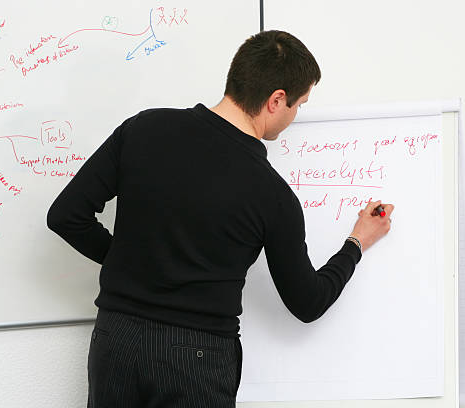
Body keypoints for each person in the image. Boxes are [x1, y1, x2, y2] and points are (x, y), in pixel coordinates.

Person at [47, 30, 394, 408]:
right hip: (195, 357)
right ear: (277, 99)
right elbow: (307, 302)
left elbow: (66, 216)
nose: (296, 115)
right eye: (299, 104)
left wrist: (125, 260)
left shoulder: (144, 128)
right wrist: (356, 242)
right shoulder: (271, 195)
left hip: (117, 338)